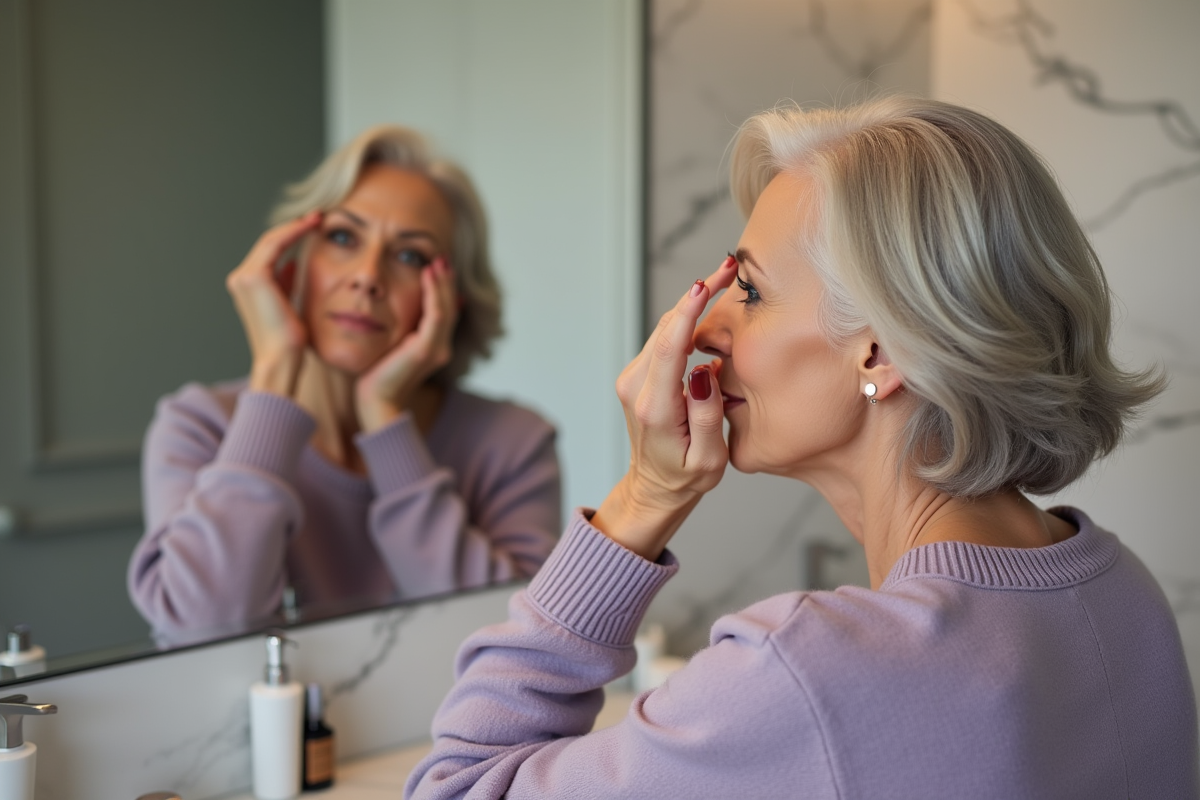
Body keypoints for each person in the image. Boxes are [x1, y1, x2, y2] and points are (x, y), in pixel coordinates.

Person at [404, 97, 1198, 799]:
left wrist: (645, 497)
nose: (705, 328)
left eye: (749, 291)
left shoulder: (809, 675)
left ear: (881, 353)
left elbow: (459, 785)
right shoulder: (1122, 591)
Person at [128, 126, 562, 642]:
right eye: (342, 238)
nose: (367, 276)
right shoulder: (197, 425)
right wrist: (274, 376)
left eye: (410, 256)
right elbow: (198, 633)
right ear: (291, 264)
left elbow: (520, 651)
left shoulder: (513, 443)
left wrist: (386, 420)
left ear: (451, 302)